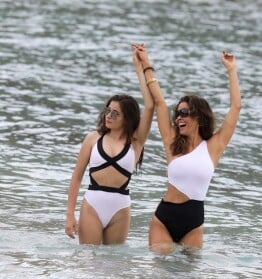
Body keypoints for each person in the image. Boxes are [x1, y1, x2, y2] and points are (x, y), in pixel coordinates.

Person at [135, 45, 241, 254]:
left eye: (184, 112)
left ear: (199, 116)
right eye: (178, 114)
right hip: (164, 218)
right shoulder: (172, 141)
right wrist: (146, 64)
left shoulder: (214, 146)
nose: (179, 117)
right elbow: (159, 102)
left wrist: (231, 70)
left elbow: (236, 107)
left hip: (194, 222)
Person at [65, 45, 154, 245]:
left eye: (115, 113)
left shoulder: (136, 142)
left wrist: (141, 68)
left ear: (127, 119)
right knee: (89, 262)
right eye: (108, 111)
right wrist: (70, 215)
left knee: (115, 265)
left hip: (121, 207)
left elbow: (150, 106)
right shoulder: (93, 138)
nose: (109, 116)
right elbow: (77, 176)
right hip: (93, 203)